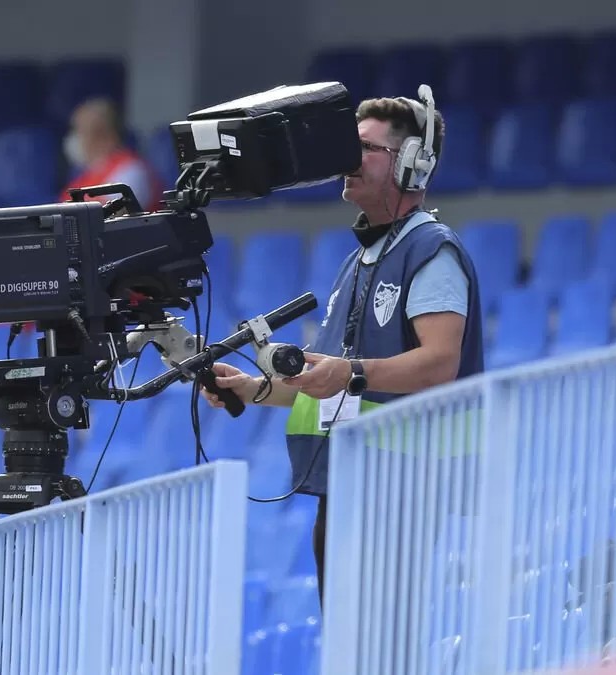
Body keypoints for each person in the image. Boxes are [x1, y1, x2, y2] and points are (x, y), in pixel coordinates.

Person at [200, 89, 486, 603]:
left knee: (382, 635)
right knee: (344, 634)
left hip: (402, 481)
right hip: (349, 476)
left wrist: (349, 372)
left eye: (365, 148)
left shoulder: (431, 250)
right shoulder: (357, 263)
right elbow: (328, 382)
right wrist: (252, 388)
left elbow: (440, 363)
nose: (346, 160)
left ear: (412, 163)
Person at [59, 97, 163, 211]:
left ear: (104, 136)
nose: (75, 139)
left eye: (80, 132)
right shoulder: (84, 176)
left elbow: (115, 215)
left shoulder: (131, 171)